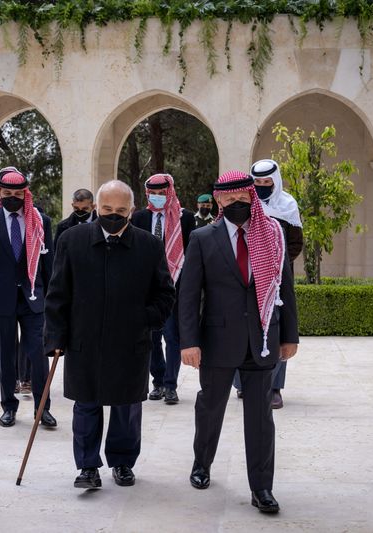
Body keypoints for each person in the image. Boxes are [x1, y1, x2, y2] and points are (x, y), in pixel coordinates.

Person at [179, 170, 298, 513]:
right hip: (217, 341)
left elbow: (285, 287)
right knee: (210, 406)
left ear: (251, 197)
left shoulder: (272, 234)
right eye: (228, 200)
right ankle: (202, 463)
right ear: (218, 200)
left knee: (260, 417)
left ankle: (262, 489)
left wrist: (289, 335)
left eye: (242, 199)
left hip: (262, 339)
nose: (236, 205)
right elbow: (189, 295)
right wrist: (189, 342)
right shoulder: (203, 238)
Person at [45, 180, 175, 489]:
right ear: (95, 208)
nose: (112, 215)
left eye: (120, 210)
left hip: (130, 342)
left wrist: (143, 319)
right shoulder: (71, 240)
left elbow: (165, 295)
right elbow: (57, 292)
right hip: (83, 340)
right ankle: (87, 467)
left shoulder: (149, 245)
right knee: (86, 404)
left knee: (126, 406)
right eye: (106, 209)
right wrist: (55, 338)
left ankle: (122, 462)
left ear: (131, 211)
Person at [0, 167, 57, 428]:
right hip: (0, 297)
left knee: (38, 354)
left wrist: (55, 300)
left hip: (33, 298)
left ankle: (42, 408)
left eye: (18, 193)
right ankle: (8, 406)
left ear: (25, 193)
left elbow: (50, 264)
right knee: (5, 355)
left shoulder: (40, 220)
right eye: (7, 193)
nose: (12, 197)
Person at [232, 159, 304, 408]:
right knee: (244, 326)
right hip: (247, 277)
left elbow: (295, 243)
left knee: (277, 330)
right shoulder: (246, 205)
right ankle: (242, 385)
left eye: (266, 182)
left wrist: (272, 262)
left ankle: (274, 388)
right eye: (258, 182)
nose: (262, 186)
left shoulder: (288, 205)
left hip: (278, 279)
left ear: (275, 181)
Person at [131, 174, 194, 405]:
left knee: (172, 336)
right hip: (147, 288)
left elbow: (190, 253)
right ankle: (157, 382)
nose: (157, 198)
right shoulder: (139, 217)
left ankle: (170, 385)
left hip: (173, 285)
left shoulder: (184, 217)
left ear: (169, 192)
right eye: (153, 194)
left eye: (161, 193)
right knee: (152, 337)